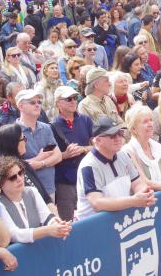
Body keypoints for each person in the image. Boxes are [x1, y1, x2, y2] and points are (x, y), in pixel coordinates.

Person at [74, 116, 155, 220]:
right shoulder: (89, 165)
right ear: (98, 141)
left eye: (120, 133)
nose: (118, 138)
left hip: (117, 219)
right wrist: (134, 201)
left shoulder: (123, 155)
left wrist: (143, 195)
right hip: (93, 225)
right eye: (112, 136)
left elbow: (138, 183)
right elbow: (97, 203)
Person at [0, 157, 72, 244]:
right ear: (1, 183)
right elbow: (14, 234)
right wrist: (47, 230)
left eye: (20, 173)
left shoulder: (32, 191)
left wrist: (58, 225)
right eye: (12, 177)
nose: (19, 179)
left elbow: (47, 218)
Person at [50, 86, 92, 221]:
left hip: (87, 177)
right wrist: (65, 155)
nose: (73, 101)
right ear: (58, 103)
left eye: (75, 98)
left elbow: (97, 145)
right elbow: (50, 157)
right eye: (69, 99)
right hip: (65, 181)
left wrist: (83, 149)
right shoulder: (51, 126)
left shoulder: (85, 120)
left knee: (90, 218)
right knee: (67, 222)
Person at [15, 89, 61, 200]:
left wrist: (40, 163)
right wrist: (39, 158)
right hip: (26, 191)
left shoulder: (46, 127)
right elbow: (13, 164)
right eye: (32, 102)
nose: (37, 105)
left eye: (39, 102)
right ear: (20, 106)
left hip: (49, 188)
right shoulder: (13, 131)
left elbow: (58, 156)